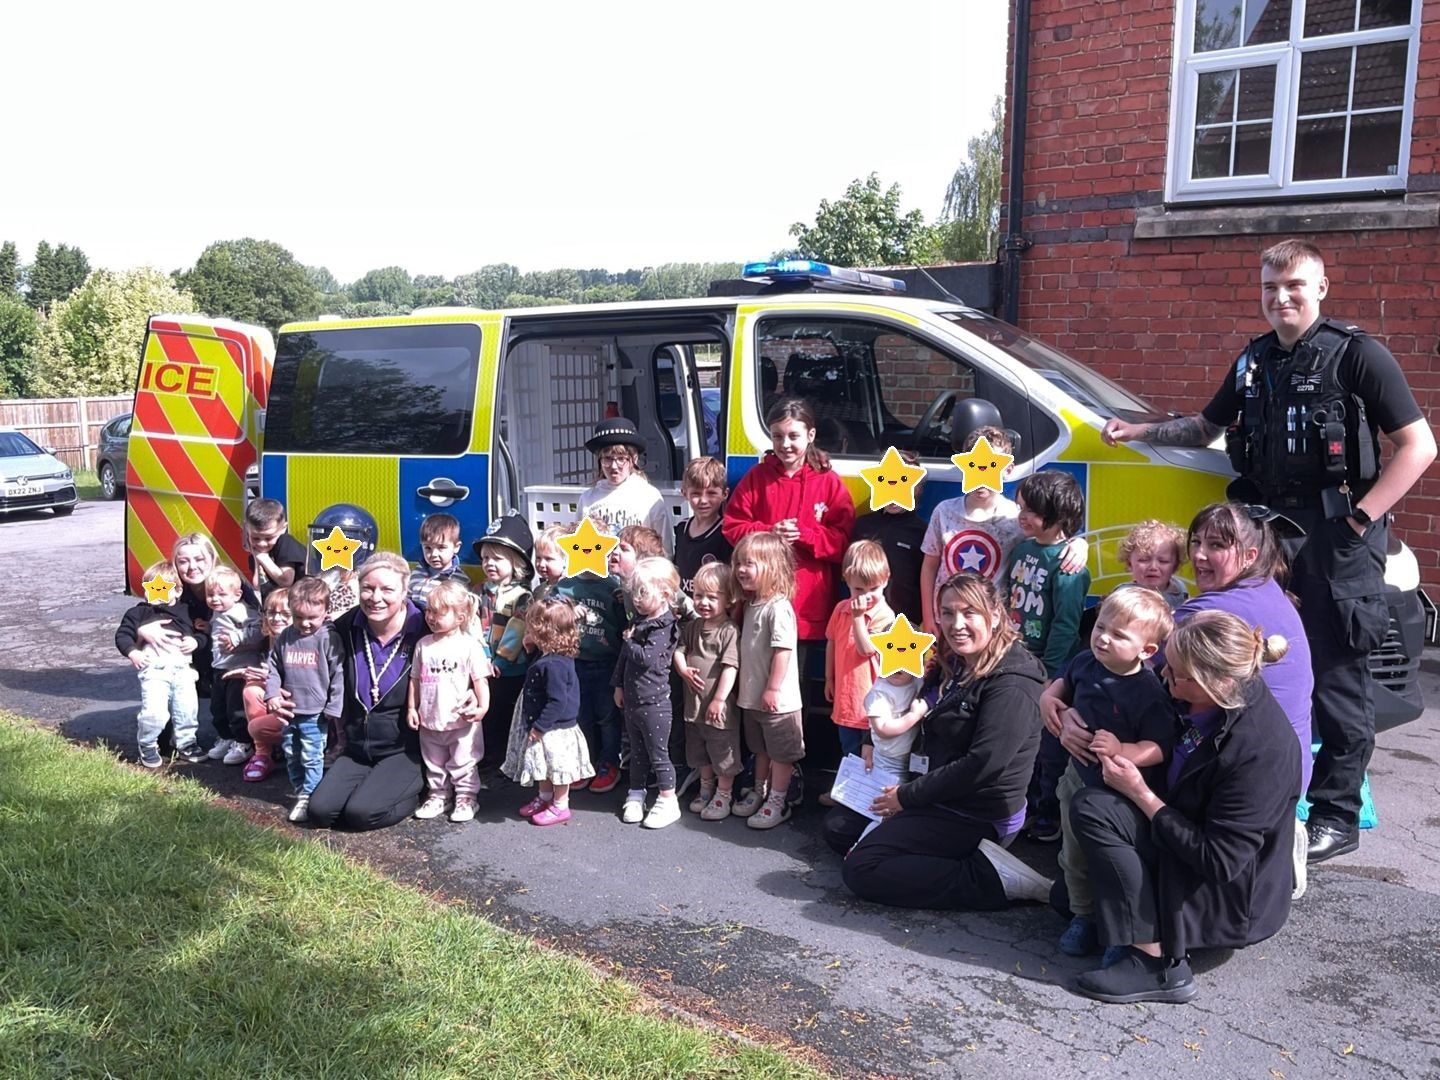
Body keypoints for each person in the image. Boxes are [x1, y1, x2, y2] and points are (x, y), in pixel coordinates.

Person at [1102, 239, 1436, 863]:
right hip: (1270, 537)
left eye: (1294, 287)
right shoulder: (1255, 360)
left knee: (1338, 677)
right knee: (1258, 663)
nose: (1280, 298)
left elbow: (1419, 447)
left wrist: (1361, 521)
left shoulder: (1359, 356)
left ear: (1321, 289)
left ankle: (1336, 814)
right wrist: (1140, 431)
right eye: (1270, 288)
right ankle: (1261, 787)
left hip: (1339, 539)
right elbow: (1207, 427)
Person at [1067, 611, 1299, 1004]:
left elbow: (1219, 861)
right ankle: (1125, 923)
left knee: (1098, 809)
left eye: (1176, 675)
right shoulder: (1206, 698)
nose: (1164, 680)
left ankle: (1157, 962)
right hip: (1181, 832)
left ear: (1218, 681)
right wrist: (1062, 708)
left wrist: (1141, 793)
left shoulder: (1260, 749)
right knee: (1092, 808)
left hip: (1226, 893)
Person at [833, 572, 1053, 910]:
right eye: (948, 613)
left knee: (862, 868)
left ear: (995, 615)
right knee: (839, 830)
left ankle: (990, 878)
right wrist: (868, 737)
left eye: (969, 612)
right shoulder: (955, 659)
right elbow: (904, 693)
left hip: (975, 812)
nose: (957, 623)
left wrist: (906, 798)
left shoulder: (1014, 685)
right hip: (933, 791)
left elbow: (982, 766)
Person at [1040, 588, 1177, 958]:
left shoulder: (1148, 692)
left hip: (1118, 794)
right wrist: (1049, 698)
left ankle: (1120, 928)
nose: (1103, 637)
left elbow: (1160, 746)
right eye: (1101, 626)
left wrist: (1124, 751)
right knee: (1074, 855)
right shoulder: (1085, 661)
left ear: (1147, 651)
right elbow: (1062, 685)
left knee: (1116, 863)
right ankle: (1084, 917)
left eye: (1119, 635)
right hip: (1076, 779)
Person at [297, 553, 433, 831]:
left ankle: (416, 789)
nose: (375, 597)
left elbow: (464, 653)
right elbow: (303, 650)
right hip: (358, 747)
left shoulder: (427, 627)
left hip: (405, 749)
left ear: (405, 591)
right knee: (321, 812)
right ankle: (374, 783)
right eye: (368, 588)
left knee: (361, 814)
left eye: (387, 589)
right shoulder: (345, 627)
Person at [723, 397, 856, 644]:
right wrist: (769, 532)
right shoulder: (758, 477)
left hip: (808, 605)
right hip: (762, 600)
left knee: (801, 679)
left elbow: (843, 543)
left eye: (793, 436)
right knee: (760, 676)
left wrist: (806, 534)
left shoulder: (828, 482)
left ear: (811, 434)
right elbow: (732, 526)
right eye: (777, 436)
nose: (785, 444)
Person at [1003, 469, 1091, 842]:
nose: (1020, 515)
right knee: (1019, 737)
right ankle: (1021, 804)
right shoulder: (1023, 549)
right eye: (1020, 507)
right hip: (1015, 656)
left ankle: (1047, 810)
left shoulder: (1069, 568)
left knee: (1048, 746)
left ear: (1057, 516)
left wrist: (1051, 673)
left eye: (1030, 510)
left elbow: (1066, 625)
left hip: (1047, 669)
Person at [731, 531, 805, 830]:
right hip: (752, 697)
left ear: (772, 568)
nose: (741, 569)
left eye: (749, 563)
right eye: (738, 563)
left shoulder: (779, 608)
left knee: (781, 754)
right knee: (759, 748)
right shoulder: (751, 605)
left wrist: (773, 688)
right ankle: (759, 789)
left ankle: (778, 798)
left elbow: (783, 650)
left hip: (778, 702)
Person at [504, 595, 593, 826]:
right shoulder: (547, 655)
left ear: (545, 632)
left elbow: (557, 701)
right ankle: (544, 798)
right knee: (542, 765)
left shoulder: (555, 664)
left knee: (558, 767)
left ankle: (560, 805)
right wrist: (528, 650)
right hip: (542, 724)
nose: (528, 630)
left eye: (532, 628)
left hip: (554, 728)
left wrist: (540, 727)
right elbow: (536, 673)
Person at [408, 580, 491, 824]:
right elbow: (415, 679)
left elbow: (480, 681)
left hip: (461, 720)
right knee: (434, 762)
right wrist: (412, 708)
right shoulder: (423, 645)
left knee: (464, 762)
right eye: (429, 611)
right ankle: (438, 795)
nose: (431, 617)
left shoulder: (469, 646)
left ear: (459, 617)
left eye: (438, 612)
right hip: (430, 719)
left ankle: (466, 797)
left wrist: (482, 707)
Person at [264, 577, 345, 823]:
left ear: (325, 611)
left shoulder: (328, 638)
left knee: (311, 754)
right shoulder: (286, 636)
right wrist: (272, 693)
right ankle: (300, 789)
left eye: (312, 617)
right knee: (291, 752)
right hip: (289, 711)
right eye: (298, 617)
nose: (305, 623)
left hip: (315, 711)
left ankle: (310, 794)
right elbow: (274, 668)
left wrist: (334, 706)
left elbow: (339, 673)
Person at [613, 557, 683, 829]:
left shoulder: (664, 626)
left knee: (657, 753)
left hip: (655, 703)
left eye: (643, 593)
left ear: (665, 593)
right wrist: (617, 684)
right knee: (637, 751)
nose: (637, 599)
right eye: (635, 593)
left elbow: (645, 657)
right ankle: (636, 793)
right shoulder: (640, 621)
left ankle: (667, 799)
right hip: (632, 699)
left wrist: (629, 641)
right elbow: (625, 658)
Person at [114, 560, 205, 767]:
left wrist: (196, 641)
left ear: (177, 591)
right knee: (155, 712)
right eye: (151, 588)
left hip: (183, 670)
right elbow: (123, 636)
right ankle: (147, 743)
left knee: (187, 709)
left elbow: (201, 633)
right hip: (155, 670)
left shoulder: (186, 612)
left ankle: (186, 742)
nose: (155, 593)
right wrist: (133, 652)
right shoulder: (139, 613)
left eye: (162, 588)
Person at [673, 562, 742, 821]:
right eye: (699, 595)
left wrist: (719, 700)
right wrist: (682, 669)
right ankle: (705, 787)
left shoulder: (729, 630)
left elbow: (730, 667)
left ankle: (724, 793)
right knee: (699, 751)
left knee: (722, 750)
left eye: (712, 597)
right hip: (694, 707)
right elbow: (679, 650)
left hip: (717, 709)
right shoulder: (692, 627)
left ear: (729, 598)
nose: (703, 602)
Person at [823, 540, 895, 768]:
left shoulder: (885, 615)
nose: (865, 596)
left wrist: (857, 618)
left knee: (869, 756)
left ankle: (863, 797)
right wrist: (829, 678)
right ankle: (847, 793)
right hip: (847, 697)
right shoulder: (841, 609)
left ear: (885, 580)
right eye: (858, 590)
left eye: (873, 589)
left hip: (872, 700)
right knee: (848, 749)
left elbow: (866, 649)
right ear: (847, 581)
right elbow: (832, 642)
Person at [473, 515, 534, 770]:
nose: (489, 564)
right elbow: (472, 625)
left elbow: (516, 629)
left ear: (516, 562)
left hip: (510, 668)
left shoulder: (522, 596)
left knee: (505, 713)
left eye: (497, 558)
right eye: (486, 558)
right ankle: (484, 756)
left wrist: (499, 659)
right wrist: (481, 655)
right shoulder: (478, 591)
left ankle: (504, 759)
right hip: (483, 664)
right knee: (486, 713)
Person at [852, 447, 927, 624]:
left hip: (904, 622)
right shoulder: (863, 525)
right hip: (863, 619)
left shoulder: (922, 531)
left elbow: (925, 579)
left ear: (915, 488)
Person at [577, 417, 674, 555]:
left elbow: (665, 548)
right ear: (600, 460)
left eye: (621, 459)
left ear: (634, 459)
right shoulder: (588, 499)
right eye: (607, 459)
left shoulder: (649, 496)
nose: (614, 466)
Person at [203, 564, 262, 766]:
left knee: (236, 709)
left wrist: (237, 637)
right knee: (218, 708)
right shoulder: (218, 611)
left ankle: (243, 742)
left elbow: (259, 628)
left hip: (239, 669)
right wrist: (207, 626)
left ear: (237, 595)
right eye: (210, 594)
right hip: (221, 668)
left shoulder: (242, 611)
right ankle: (226, 737)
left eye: (221, 594)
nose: (214, 599)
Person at [240, 588, 292, 782]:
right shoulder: (277, 640)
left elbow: (303, 686)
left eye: (285, 614)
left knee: (255, 727)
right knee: (252, 689)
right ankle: (263, 755)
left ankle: (298, 749)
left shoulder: (303, 643)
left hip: (302, 709)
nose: (276, 618)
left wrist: (268, 677)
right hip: (281, 700)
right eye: (272, 613)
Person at [673, 456, 733, 600]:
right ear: (684, 493)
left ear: (725, 494)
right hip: (684, 612)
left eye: (712, 493)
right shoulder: (682, 528)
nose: (703, 500)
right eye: (696, 494)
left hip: (712, 614)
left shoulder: (725, 533)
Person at [244, 497, 307, 600]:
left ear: (283, 528)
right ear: (247, 528)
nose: (262, 544)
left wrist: (262, 558)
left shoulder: (286, 542)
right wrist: (257, 559)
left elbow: (286, 581)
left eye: (269, 538)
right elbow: (257, 584)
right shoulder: (256, 555)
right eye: (255, 538)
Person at [1117, 520, 1188, 609]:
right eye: (1144, 560)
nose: (1153, 567)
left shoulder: (1179, 589)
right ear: (1129, 563)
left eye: (1163, 561)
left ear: (1175, 566)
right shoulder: (1124, 596)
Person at [408, 513, 468, 610]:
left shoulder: (458, 580)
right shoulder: (416, 573)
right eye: (428, 548)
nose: (434, 554)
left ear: (456, 547)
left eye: (441, 547)